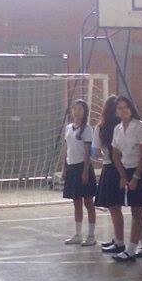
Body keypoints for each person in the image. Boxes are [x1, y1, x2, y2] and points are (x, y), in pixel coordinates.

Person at [110, 96, 142, 262]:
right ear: (116, 112)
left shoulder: (141, 127)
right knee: (138, 209)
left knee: (137, 210)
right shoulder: (117, 129)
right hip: (128, 169)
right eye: (120, 108)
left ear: (131, 109)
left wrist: (136, 177)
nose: (123, 110)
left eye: (126, 107)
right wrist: (123, 175)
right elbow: (115, 155)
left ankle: (130, 249)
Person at [60, 99, 98, 246]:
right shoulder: (69, 128)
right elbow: (66, 149)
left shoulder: (87, 129)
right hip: (71, 167)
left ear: (85, 112)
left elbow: (87, 152)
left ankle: (91, 235)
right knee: (76, 202)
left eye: (80, 109)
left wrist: (85, 171)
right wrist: (64, 167)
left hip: (83, 167)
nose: (77, 111)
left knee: (88, 202)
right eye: (75, 108)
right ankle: (77, 234)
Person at [95, 96, 127, 254]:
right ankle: (121, 240)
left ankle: (120, 242)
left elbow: (96, 151)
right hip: (123, 167)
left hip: (110, 168)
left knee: (114, 208)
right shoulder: (122, 127)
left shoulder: (101, 128)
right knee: (124, 208)